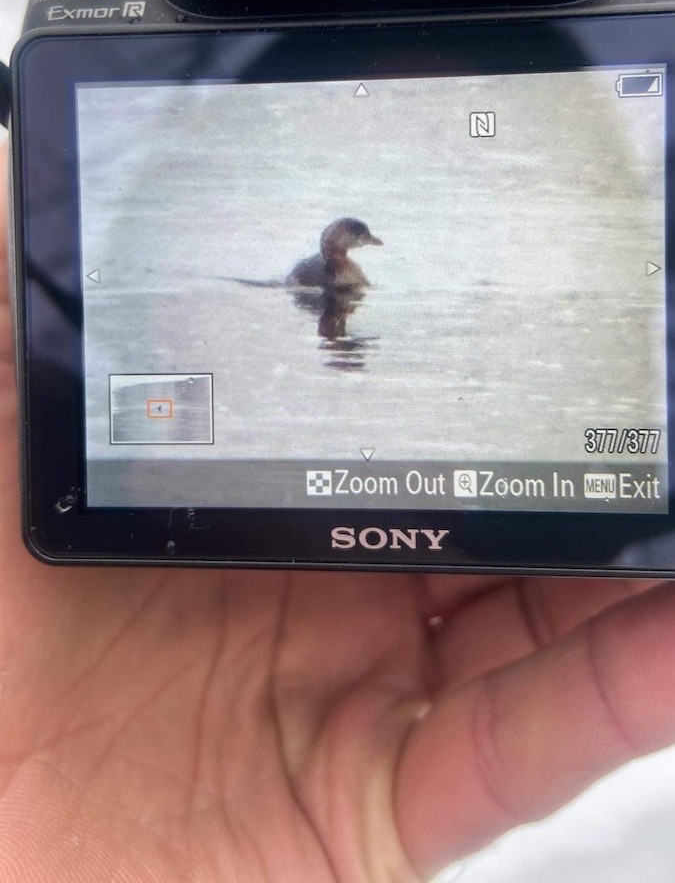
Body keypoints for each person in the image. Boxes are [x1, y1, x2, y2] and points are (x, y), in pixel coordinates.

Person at [0, 138, 673, 881]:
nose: (363, 246)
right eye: (358, 236)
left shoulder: (337, 281)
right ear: (338, 244)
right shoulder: (326, 283)